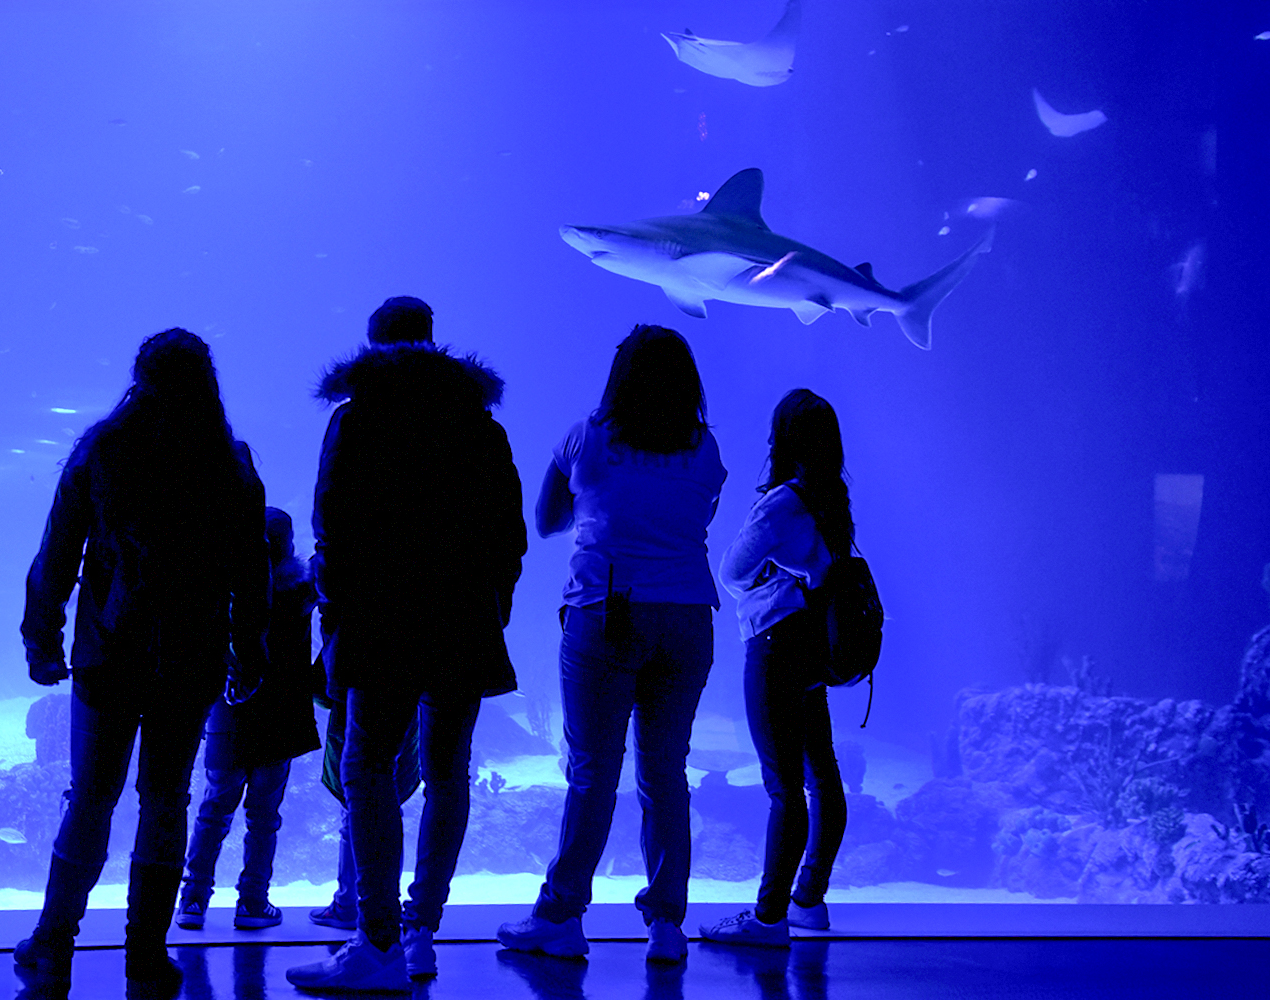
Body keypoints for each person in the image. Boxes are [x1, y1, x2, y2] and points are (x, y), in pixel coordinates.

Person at [14, 328, 269, 995]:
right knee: (166, 800)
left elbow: (57, 552)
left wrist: (42, 638)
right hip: (192, 661)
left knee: (91, 798)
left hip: (108, 654)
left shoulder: (102, 449)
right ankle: (146, 953)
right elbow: (251, 568)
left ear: (139, 376)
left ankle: (53, 942)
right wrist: (250, 647)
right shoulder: (229, 460)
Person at [286, 296, 526, 991]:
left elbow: (330, 522)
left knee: (367, 767)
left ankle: (378, 941)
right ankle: (421, 931)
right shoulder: (480, 425)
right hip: (462, 620)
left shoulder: (356, 417)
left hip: (379, 620)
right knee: (448, 772)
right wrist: (494, 607)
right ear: (431, 339)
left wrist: (333, 613)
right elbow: (509, 534)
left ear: (372, 344)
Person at [498, 325, 725, 966]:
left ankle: (562, 916)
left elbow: (545, 521)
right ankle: (667, 925)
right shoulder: (705, 446)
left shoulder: (586, 437)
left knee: (593, 772)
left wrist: (598, 501)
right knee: (665, 772)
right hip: (688, 616)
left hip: (606, 610)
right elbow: (699, 517)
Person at [699, 388, 852, 947]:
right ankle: (808, 900)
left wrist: (767, 574)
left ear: (782, 439)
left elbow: (731, 571)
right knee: (822, 778)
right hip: (811, 646)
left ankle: (768, 918)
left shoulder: (783, 501)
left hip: (775, 644)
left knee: (784, 787)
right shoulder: (833, 499)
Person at [175, 507, 322, 932]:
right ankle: (253, 903)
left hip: (228, 719)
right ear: (288, 545)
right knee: (263, 818)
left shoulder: (220, 591)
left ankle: (192, 901)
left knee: (212, 811)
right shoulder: (300, 591)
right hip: (281, 721)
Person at [307, 685, 422, 931]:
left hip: (354, 725)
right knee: (391, 814)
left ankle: (347, 904)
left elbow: (326, 689)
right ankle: (388, 906)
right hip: (404, 724)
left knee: (353, 815)